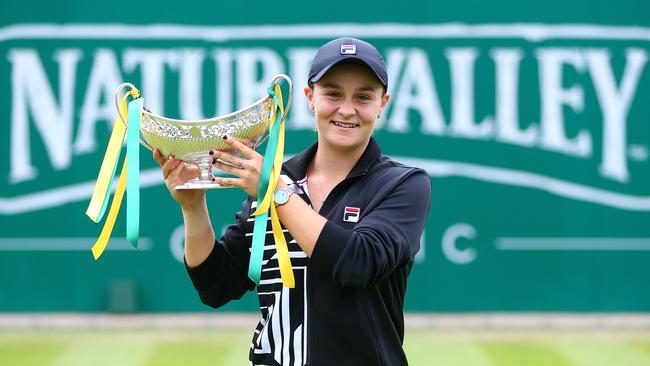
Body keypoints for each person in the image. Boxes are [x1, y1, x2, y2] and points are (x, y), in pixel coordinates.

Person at [153, 37, 432, 366]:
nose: (346, 109)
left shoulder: (403, 184)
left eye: (363, 96)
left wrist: (276, 193)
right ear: (309, 98)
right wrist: (193, 207)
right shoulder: (278, 176)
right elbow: (218, 285)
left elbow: (358, 262)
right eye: (333, 93)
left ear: (382, 104)